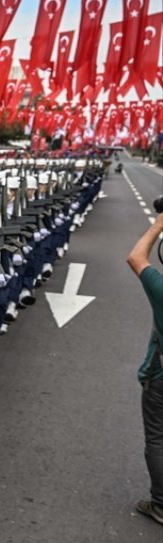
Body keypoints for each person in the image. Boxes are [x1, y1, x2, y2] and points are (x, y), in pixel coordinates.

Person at [127, 203, 163, 526]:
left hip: (160, 376)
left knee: (157, 438)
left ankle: (161, 503)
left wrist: (157, 227)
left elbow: (136, 257)